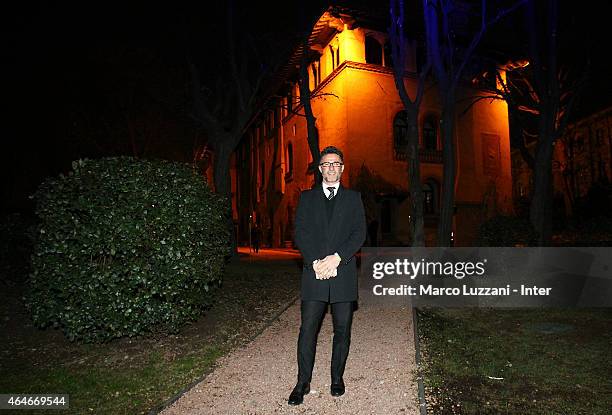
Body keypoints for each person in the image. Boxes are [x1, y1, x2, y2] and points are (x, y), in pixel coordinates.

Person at [288, 146, 366, 405]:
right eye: (326, 164)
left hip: (342, 273)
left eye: (336, 163)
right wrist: (315, 262)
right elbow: (300, 232)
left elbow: (359, 234)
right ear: (320, 169)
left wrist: (337, 258)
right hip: (314, 274)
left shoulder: (354, 198)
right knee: (308, 329)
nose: (331, 168)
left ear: (342, 169)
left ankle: (337, 378)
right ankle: (302, 382)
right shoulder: (307, 198)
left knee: (342, 329)